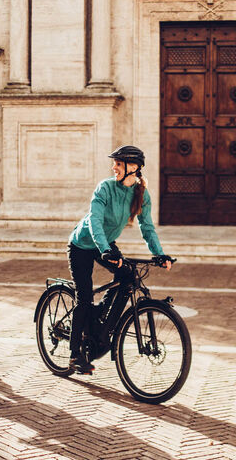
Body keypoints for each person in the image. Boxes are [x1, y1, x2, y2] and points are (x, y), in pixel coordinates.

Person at [66, 145, 170, 375]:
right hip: (83, 244)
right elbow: (94, 220)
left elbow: (147, 227)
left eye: (119, 163)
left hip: (105, 244)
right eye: (115, 163)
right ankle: (75, 354)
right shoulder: (105, 187)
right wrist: (104, 249)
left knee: (128, 276)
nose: (114, 167)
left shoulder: (140, 195)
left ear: (133, 167)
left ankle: (101, 319)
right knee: (83, 298)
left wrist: (159, 253)